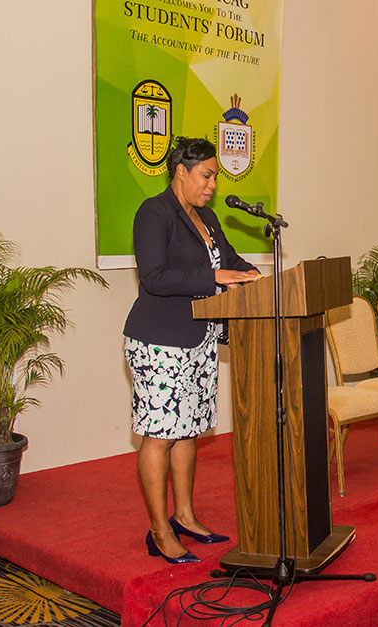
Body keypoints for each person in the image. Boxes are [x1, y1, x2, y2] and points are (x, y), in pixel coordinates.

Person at [123, 136, 261, 564]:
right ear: (181, 172)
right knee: (160, 434)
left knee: (187, 430)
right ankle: (159, 530)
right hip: (159, 340)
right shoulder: (154, 212)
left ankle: (184, 515)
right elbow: (155, 278)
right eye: (207, 175)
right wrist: (215, 278)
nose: (213, 185)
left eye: (215, 176)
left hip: (200, 339)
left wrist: (258, 277)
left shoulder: (207, 217)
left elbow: (230, 262)